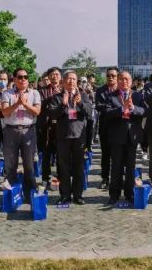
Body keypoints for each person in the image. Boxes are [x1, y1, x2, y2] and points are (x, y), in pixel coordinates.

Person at [48, 70, 92, 205]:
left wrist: (80, 103)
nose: (71, 81)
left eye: (73, 79)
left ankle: (78, 195)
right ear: (63, 81)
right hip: (63, 136)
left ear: (76, 81)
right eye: (68, 79)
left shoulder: (83, 95)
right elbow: (52, 114)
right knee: (63, 167)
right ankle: (65, 195)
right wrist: (63, 104)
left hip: (79, 136)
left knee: (79, 166)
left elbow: (90, 113)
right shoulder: (57, 97)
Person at [104, 71, 147, 205]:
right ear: (118, 80)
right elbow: (106, 113)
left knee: (130, 167)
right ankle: (114, 194)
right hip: (116, 136)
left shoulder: (138, 95)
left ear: (131, 81)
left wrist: (133, 108)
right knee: (116, 167)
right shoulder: (111, 96)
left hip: (132, 136)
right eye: (121, 79)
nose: (124, 81)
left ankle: (129, 194)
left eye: (127, 79)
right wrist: (121, 109)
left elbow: (144, 111)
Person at [0, 68, 41, 202]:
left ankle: (30, 195)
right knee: (10, 164)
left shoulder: (34, 93)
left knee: (29, 165)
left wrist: (25, 104)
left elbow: (37, 112)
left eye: (25, 77)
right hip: (11, 131)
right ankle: (12, 195)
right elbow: (5, 112)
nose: (23, 79)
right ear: (14, 79)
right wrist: (17, 103)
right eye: (20, 77)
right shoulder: (7, 93)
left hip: (28, 131)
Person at [37, 67, 63, 190]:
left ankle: (60, 177)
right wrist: (54, 97)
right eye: (52, 75)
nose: (54, 77)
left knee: (61, 153)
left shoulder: (65, 89)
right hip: (46, 126)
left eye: (57, 74)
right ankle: (45, 178)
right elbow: (40, 106)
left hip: (61, 125)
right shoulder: (42, 91)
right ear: (48, 77)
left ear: (60, 76)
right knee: (46, 153)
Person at [95, 67, 119, 190]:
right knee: (105, 154)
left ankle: (118, 178)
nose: (111, 78)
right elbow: (98, 106)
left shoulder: (121, 89)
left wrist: (110, 107)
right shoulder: (100, 90)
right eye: (109, 75)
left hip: (119, 127)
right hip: (105, 126)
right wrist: (112, 107)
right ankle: (105, 178)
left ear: (117, 77)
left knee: (118, 155)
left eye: (113, 76)